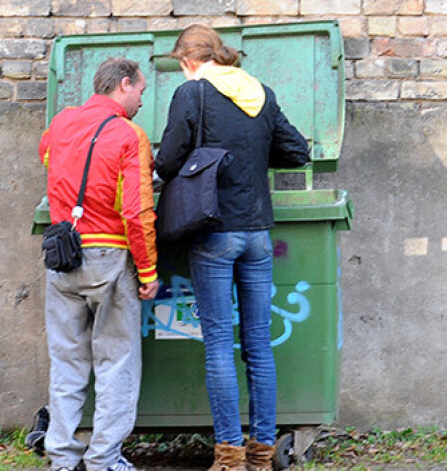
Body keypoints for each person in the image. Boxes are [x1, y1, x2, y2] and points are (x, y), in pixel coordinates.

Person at [156, 25, 309, 471]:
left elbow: (167, 161)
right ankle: (263, 452)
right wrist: (252, 158)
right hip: (258, 234)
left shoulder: (193, 94)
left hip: (214, 234)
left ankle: (228, 455)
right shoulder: (260, 91)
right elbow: (296, 151)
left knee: (220, 343)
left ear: (188, 59)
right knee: (259, 344)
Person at [39, 57, 159, 471]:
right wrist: (147, 271)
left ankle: (61, 458)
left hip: (62, 255)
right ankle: (104, 458)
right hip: (109, 256)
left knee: (67, 361)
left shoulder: (61, 124)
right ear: (124, 84)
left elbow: (48, 159)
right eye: (141, 91)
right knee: (116, 361)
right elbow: (137, 211)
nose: (142, 100)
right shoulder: (129, 134)